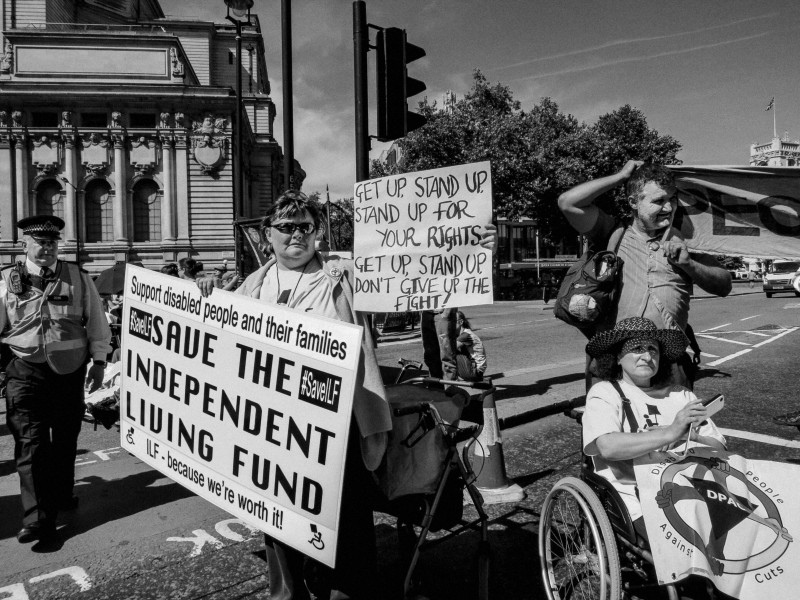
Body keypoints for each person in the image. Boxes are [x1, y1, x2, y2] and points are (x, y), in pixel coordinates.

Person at [197, 190, 497, 599]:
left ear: (317, 233)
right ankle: (288, 591)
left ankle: (349, 591)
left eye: (305, 226)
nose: (296, 235)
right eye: (286, 227)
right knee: (276, 509)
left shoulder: (343, 273)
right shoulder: (253, 284)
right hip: (274, 425)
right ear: (269, 235)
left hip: (341, 423)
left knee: (346, 513)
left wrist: (469, 248)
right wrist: (207, 289)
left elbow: (409, 266)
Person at [558, 161, 732, 385]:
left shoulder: (686, 240)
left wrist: (689, 265)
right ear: (633, 202)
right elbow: (568, 202)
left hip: (669, 364)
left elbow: (724, 285)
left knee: (675, 420)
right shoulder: (611, 232)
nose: (668, 208)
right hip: (613, 363)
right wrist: (621, 176)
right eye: (659, 201)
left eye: (672, 199)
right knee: (609, 419)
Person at [2, 215, 112, 544]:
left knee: (64, 442)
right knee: (32, 444)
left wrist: (100, 362)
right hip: (25, 371)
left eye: (52, 243)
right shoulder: (7, 280)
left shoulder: (77, 276)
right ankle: (38, 519)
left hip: (68, 373)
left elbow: (97, 322)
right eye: (40, 242)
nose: (47, 248)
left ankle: (63, 494)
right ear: (25, 245)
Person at [582, 317, 727, 541]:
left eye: (653, 349)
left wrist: (692, 434)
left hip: (693, 484)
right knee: (695, 542)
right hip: (638, 491)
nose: (647, 356)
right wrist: (670, 433)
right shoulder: (605, 392)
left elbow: (719, 448)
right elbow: (607, 447)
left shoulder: (681, 395)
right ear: (618, 357)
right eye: (637, 349)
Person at [454, 311, 487, 382]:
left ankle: (448, 379)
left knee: (449, 353)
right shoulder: (463, 334)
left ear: (461, 322)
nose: (450, 324)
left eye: (453, 321)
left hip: (475, 371)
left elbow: (449, 349)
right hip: (475, 369)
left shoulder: (466, 335)